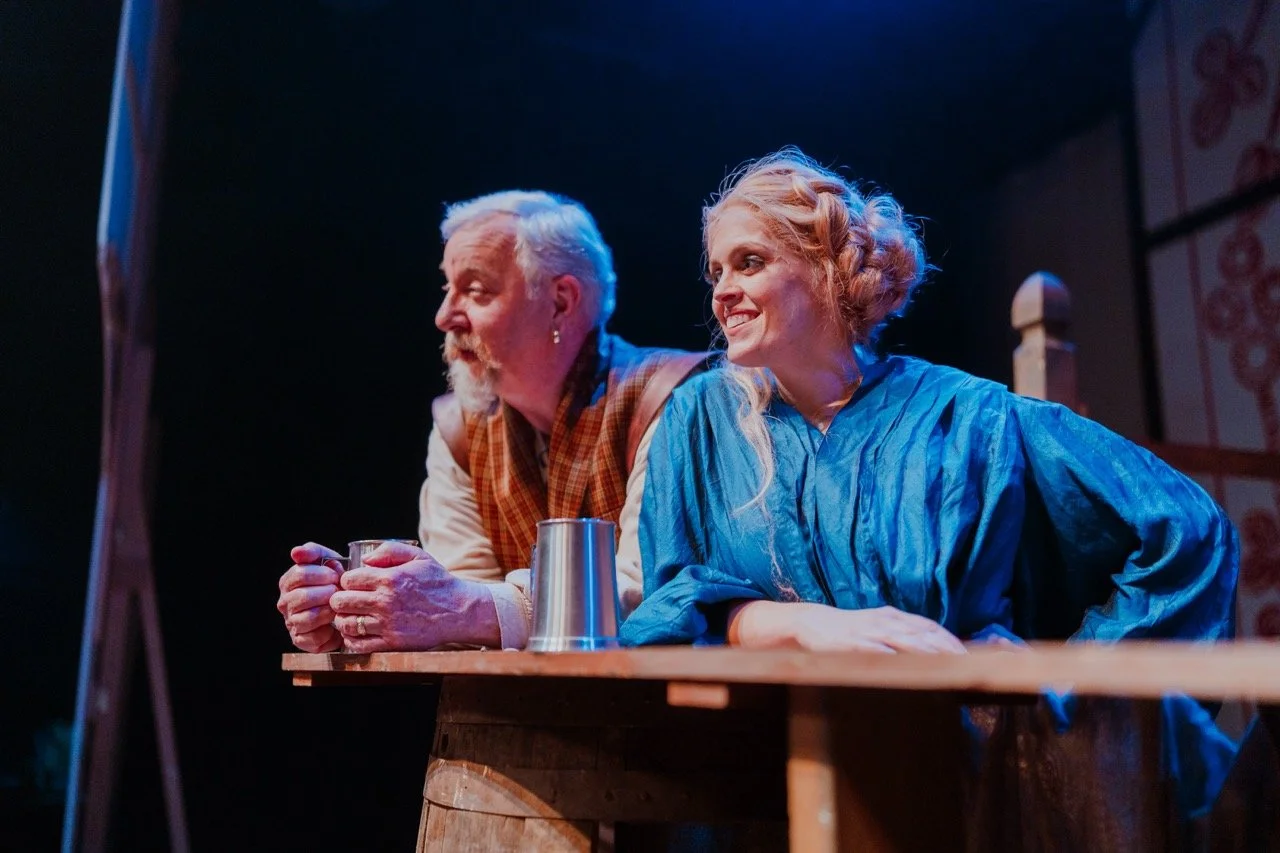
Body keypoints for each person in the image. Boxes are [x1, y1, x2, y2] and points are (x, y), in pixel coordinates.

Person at [619, 148, 1239, 818]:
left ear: (825, 267)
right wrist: (801, 624)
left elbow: (1187, 532)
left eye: (748, 262)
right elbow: (667, 603)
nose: (721, 290)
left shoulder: (966, 416)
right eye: (715, 270)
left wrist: (1064, 681)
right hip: (769, 778)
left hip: (964, 779)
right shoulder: (700, 419)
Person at [277, 190, 704, 652]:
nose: (444, 317)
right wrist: (350, 608)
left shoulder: (668, 399)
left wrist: (464, 609)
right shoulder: (461, 427)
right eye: (447, 289)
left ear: (561, 302)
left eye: (476, 291)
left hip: (647, 715)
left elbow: (649, 593)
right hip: (493, 716)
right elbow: (448, 606)